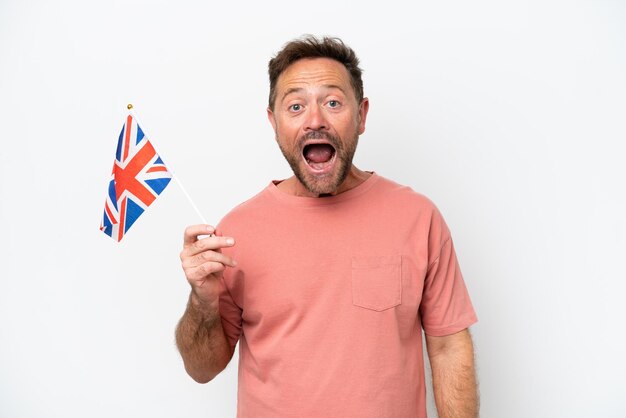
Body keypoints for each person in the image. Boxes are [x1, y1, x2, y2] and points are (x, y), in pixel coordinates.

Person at [175, 35, 479, 418]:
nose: (315, 120)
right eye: (296, 106)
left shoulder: (418, 217)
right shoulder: (237, 231)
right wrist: (202, 301)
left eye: (332, 102)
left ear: (362, 114)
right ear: (274, 122)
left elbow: (449, 346)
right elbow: (202, 369)